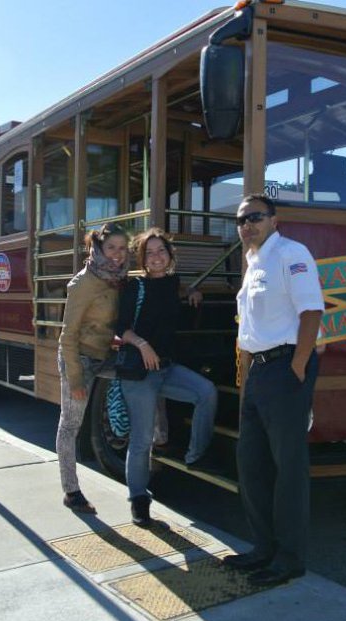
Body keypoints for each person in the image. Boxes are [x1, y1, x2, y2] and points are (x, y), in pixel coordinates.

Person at [222, 193, 324, 587]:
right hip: (259, 373)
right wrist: (248, 377)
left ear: (274, 220)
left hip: (285, 368)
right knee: (252, 464)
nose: (247, 225)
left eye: (255, 217)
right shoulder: (252, 262)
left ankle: (289, 559)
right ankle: (263, 548)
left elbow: (311, 311)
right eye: (242, 220)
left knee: (288, 471)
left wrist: (297, 367)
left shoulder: (291, 253)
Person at [117, 228, 218, 528]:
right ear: (143, 259)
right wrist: (143, 344)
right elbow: (121, 329)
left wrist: (191, 291)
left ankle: (195, 454)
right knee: (142, 439)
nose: (156, 257)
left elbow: (177, 288)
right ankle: (138, 499)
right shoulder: (135, 288)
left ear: (170, 256)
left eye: (162, 251)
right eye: (150, 253)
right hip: (139, 374)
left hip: (166, 369)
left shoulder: (174, 284)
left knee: (207, 392)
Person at [56, 222, 130, 514]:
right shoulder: (82, 283)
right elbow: (67, 336)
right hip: (80, 359)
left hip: (104, 355)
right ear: (98, 248)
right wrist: (75, 379)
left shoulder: (118, 277)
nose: (117, 254)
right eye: (111, 247)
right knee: (71, 423)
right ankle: (71, 491)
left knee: (142, 377)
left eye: (123, 248)